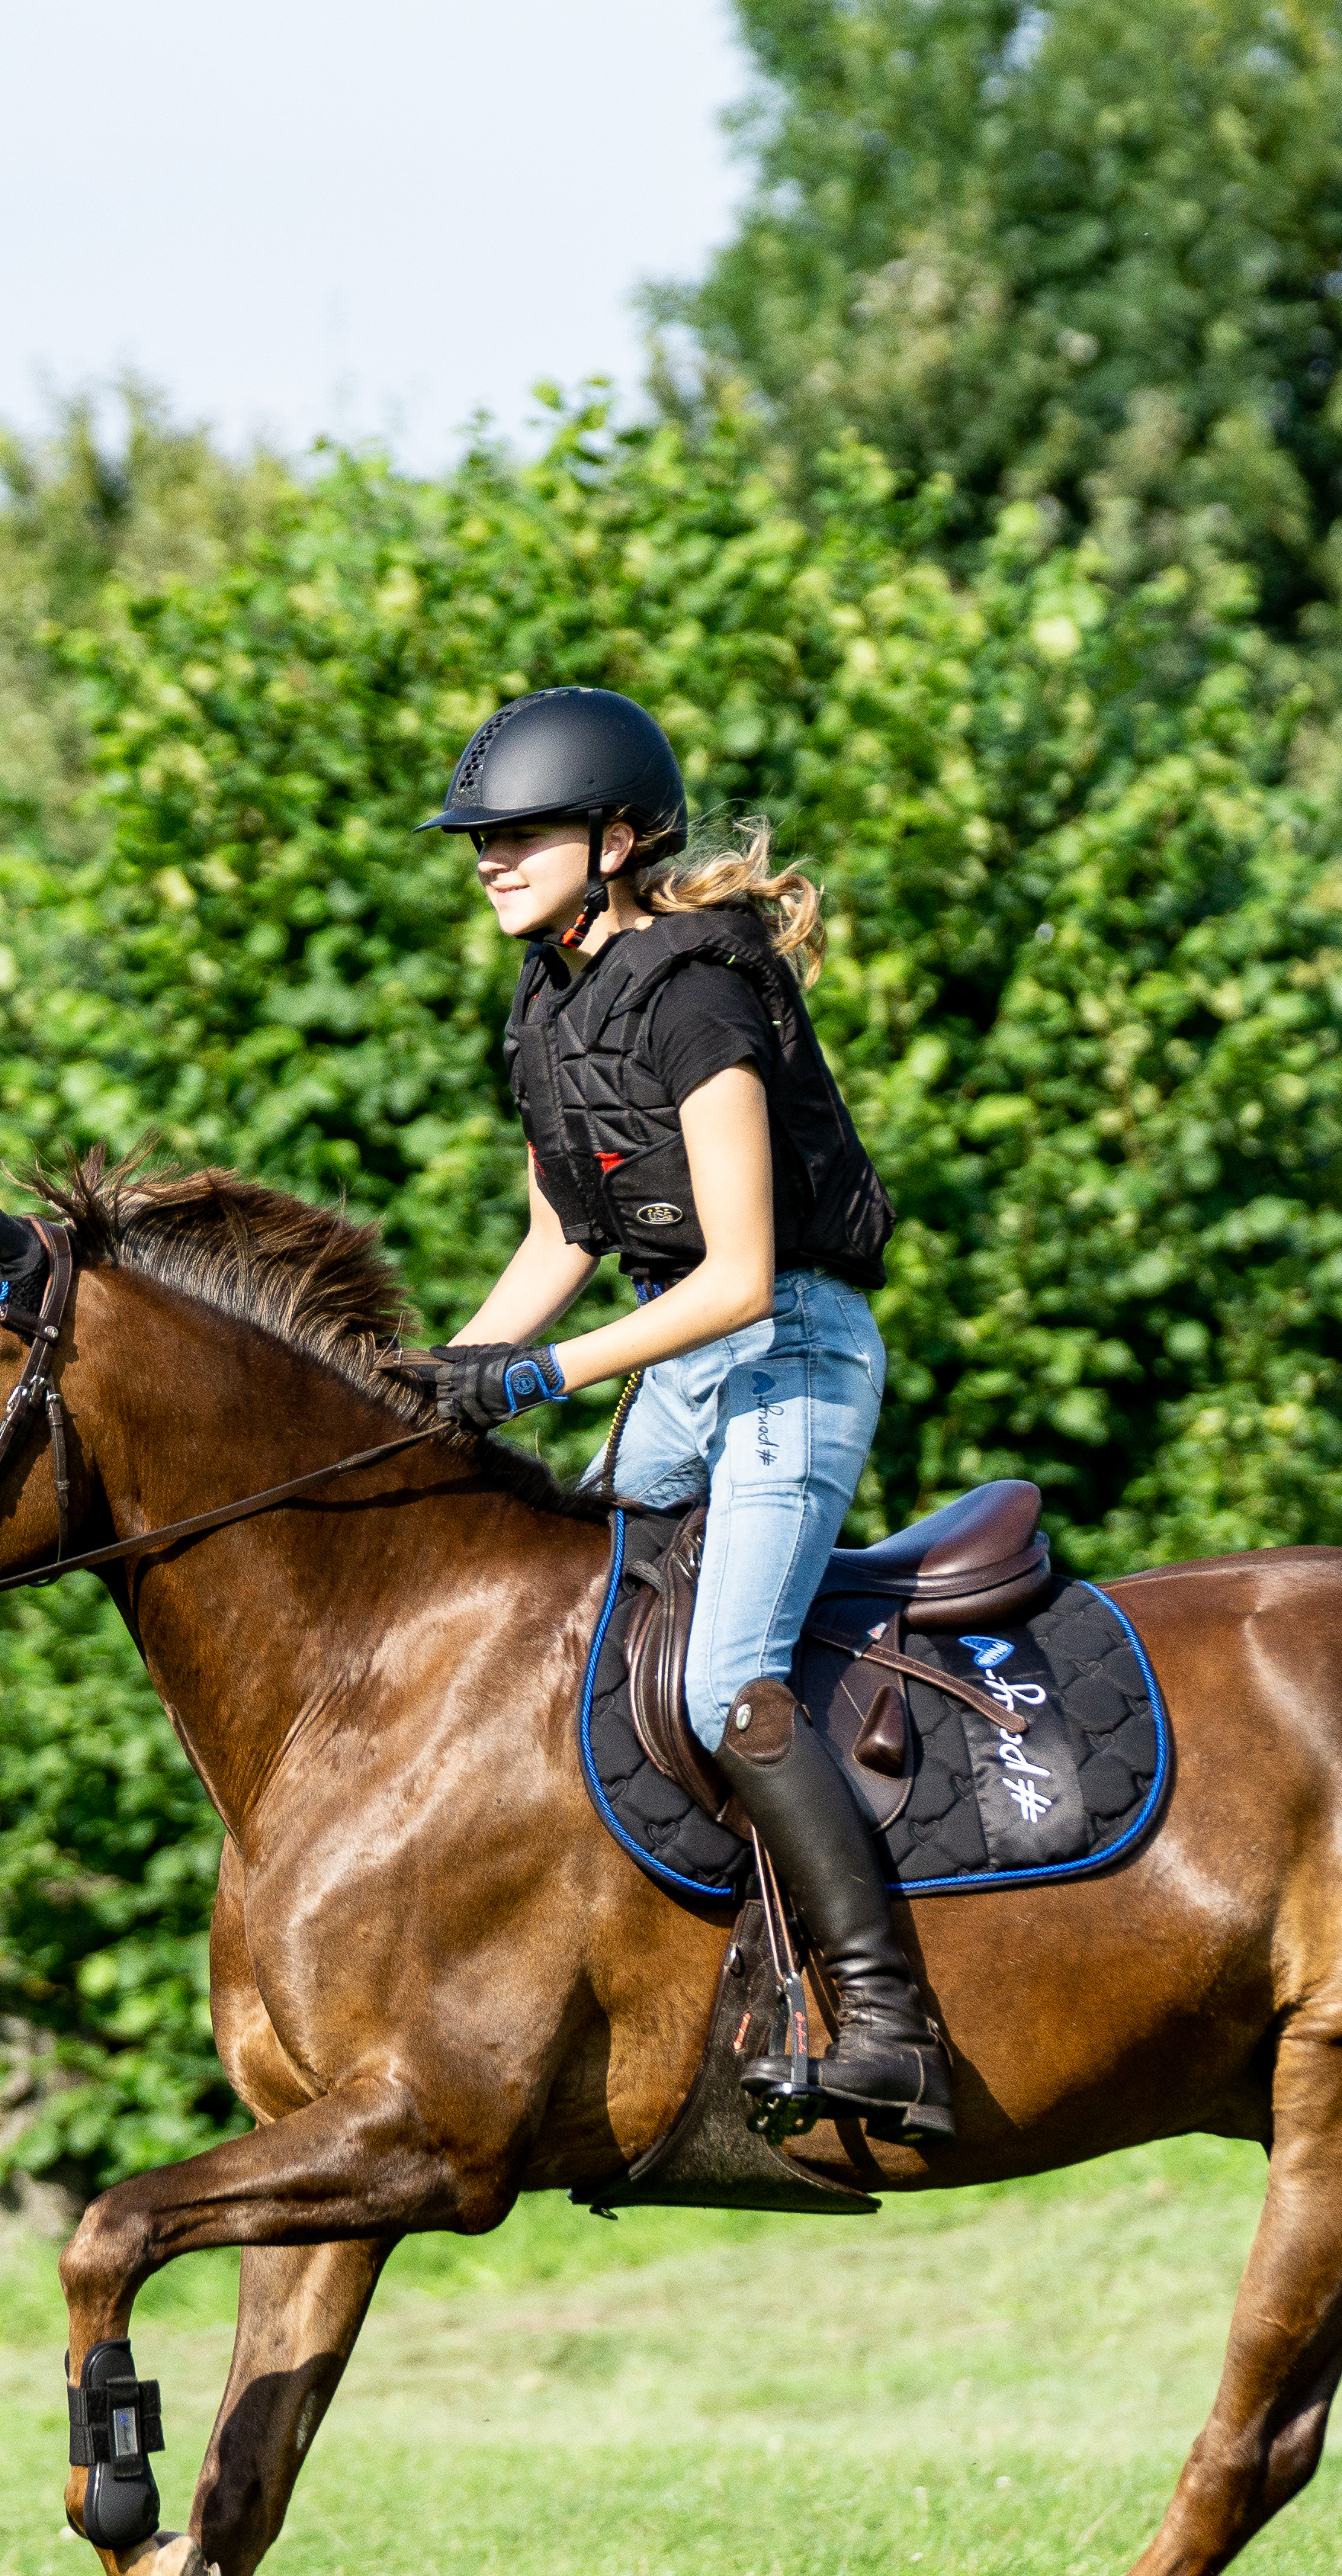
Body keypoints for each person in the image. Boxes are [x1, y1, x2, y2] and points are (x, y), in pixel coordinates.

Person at [378, 689, 952, 2143]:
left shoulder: (698, 993)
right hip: (676, 1359)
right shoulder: (549, 1004)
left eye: (519, 835)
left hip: (789, 1354)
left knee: (715, 1685)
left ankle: (889, 2023)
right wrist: (438, 1379)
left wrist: (547, 1376)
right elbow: (560, 1242)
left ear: (617, 837)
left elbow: (747, 1277)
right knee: (567, 1643)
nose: (490, 860)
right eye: (480, 841)